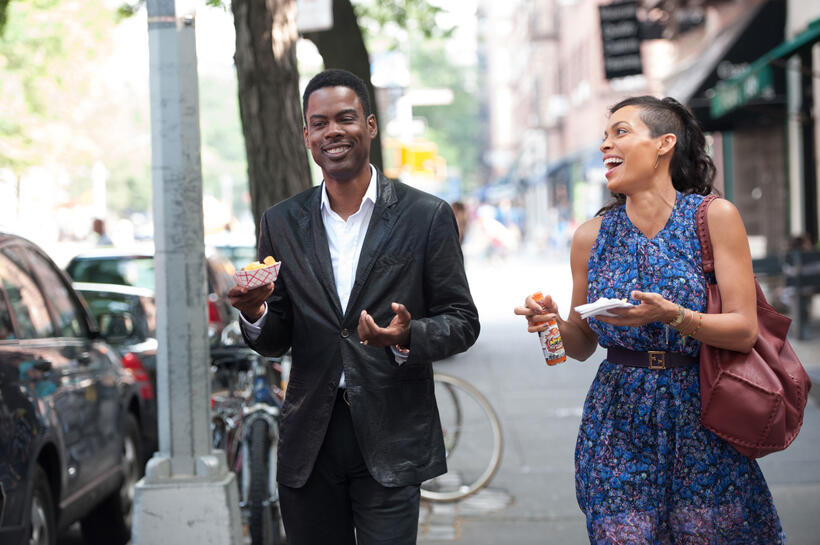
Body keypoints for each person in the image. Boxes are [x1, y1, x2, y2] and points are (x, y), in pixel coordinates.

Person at [514, 96, 784, 543]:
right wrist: (552, 323)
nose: (606, 145)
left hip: (704, 412)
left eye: (620, 132)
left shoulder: (713, 217)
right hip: (617, 417)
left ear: (664, 144)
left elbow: (743, 330)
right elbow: (579, 345)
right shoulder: (590, 237)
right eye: (604, 136)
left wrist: (673, 315)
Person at [227, 69, 479, 545]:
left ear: (370, 125)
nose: (332, 132)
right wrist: (257, 313)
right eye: (319, 123)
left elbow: (463, 322)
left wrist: (407, 335)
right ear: (306, 136)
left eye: (345, 119)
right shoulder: (281, 222)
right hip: (310, 438)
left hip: (392, 433)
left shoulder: (426, 216)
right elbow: (278, 335)